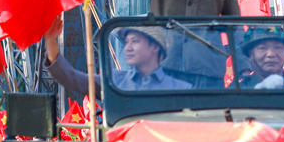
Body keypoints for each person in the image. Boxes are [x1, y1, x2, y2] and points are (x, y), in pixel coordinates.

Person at [43, 18, 191, 97]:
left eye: (135, 41)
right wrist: (51, 41)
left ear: (155, 47)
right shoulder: (115, 81)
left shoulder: (181, 89)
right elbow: (72, 78)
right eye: (126, 42)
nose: (128, 48)